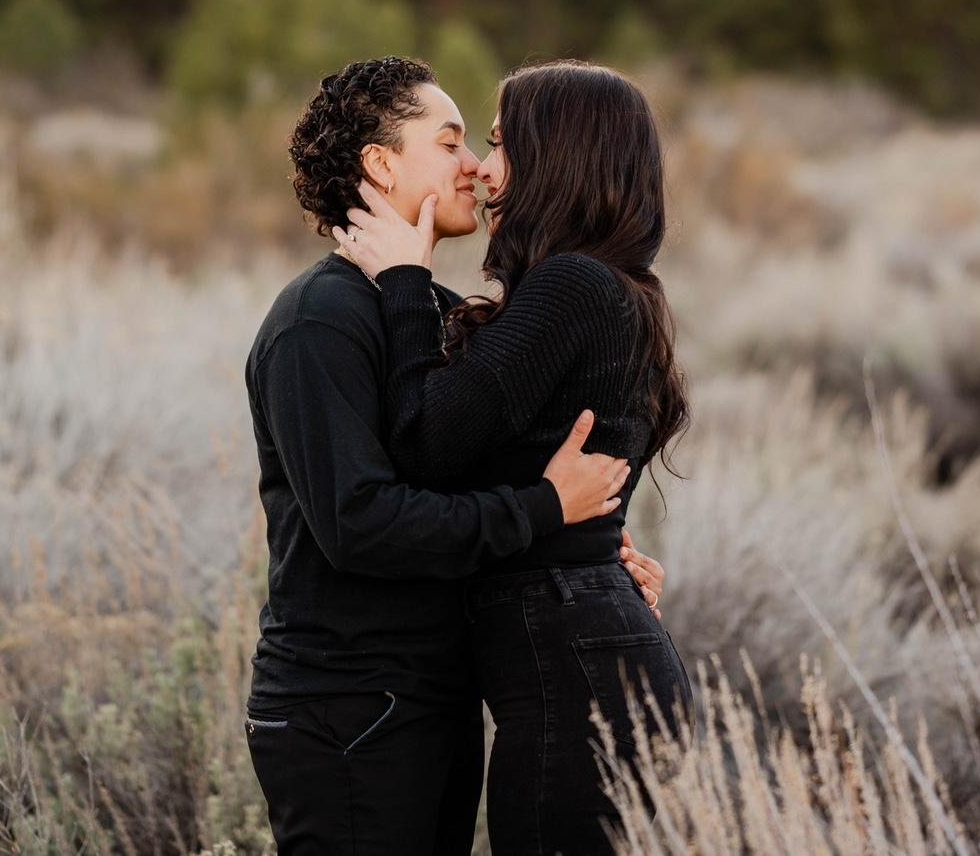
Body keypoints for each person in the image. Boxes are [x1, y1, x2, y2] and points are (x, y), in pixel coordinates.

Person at [244, 55, 668, 856]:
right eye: (450, 143)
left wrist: (593, 554)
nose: (473, 165)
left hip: (436, 693)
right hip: (347, 701)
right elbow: (360, 523)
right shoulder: (318, 321)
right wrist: (544, 511)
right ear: (381, 165)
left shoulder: (431, 312)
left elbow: (483, 461)